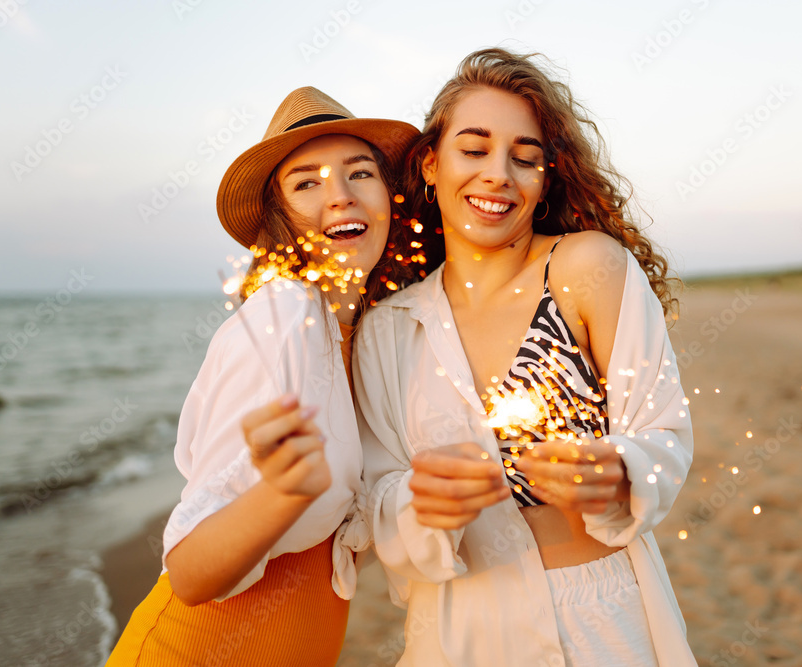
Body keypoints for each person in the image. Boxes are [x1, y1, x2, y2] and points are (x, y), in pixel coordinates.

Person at [354, 49, 697, 666]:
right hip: (459, 629)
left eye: (525, 156)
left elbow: (665, 434)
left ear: (546, 178)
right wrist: (419, 503)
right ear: (431, 165)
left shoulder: (586, 268)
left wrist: (615, 470)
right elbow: (373, 504)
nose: (498, 175)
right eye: (474, 148)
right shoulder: (386, 329)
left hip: (602, 618)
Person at [106, 87, 419, 666]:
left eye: (360, 174)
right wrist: (279, 493)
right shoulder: (285, 316)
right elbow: (191, 570)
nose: (341, 198)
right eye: (307, 183)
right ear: (281, 217)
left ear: (391, 196)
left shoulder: (370, 334)